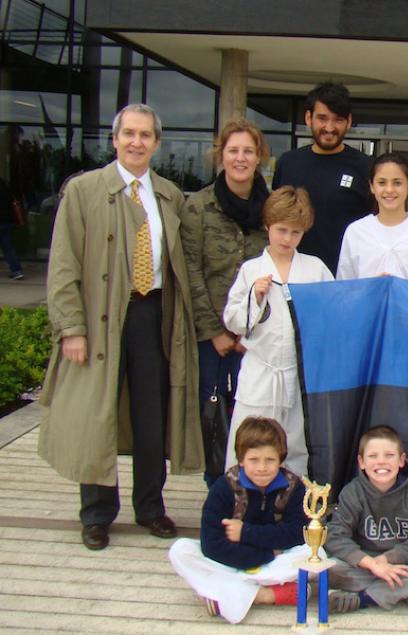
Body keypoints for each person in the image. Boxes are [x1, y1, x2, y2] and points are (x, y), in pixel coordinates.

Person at [38, 103, 202, 550]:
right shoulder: (85, 190)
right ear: (114, 139)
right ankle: (96, 514)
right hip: (100, 317)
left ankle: (150, 507)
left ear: (156, 142)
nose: (136, 142)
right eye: (128, 133)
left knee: (152, 416)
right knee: (99, 413)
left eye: (145, 135)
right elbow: (63, 264)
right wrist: (71, 326)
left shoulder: (169, 194)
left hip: (153, 314)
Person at [180, 118, 271, 486]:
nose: (240, 158)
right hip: (213, 336)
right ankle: (217, 486)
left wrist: (251, 331)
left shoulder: (271, 207)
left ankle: (254, 485)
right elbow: (190, 271)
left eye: (248, 151)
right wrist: (215, 331)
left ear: (260, 156)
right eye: (233, 150)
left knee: (254, 413)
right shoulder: (199, 206)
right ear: (221, 155)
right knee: (214, 412)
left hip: (258, 334)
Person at [222, 186, 333, 477]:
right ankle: (242, 506)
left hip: (297, 375)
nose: (288, 239)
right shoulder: (251, 270)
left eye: (296, 232)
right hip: (261, 373)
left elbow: (334, 314)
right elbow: (233, 321)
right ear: (268, 226)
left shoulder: (315, 269)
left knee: (296, 445)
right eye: (282, 230)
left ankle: (293, 508)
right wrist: (254, 298)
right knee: (250, 442)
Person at [169, 416, 311, 624]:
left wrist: (245, 532)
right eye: (254, 460)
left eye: (270, 460)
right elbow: (211, 544)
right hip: (233, 561)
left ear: (280, 459)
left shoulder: (294, 487)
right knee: (181, 550)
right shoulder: (224, 487)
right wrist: (266, 553)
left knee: (312, 553)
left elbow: (296, 533)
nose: (262, 468)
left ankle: (223, 592)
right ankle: (265, 595)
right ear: (241, 459)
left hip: (272, 562)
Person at [325, 425, 408, 613]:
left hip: (402, 564)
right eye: (373, 456)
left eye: (389, 455)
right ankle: (407, 592)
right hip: (364, 563)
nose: (381, 462)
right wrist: (372, 564)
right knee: (327, 569)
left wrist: (387, 559)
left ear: (401, 460)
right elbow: (335, 536)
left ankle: (363, 599)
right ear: (361, 462)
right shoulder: (352, 492)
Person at [271, 81, 372, 273]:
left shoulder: (365, 168)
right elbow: (275, 219)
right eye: (322, 118)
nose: (329, 127)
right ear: (308, 118)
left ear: (349, 121)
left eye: (338, 120)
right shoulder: (288, 163)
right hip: (293, 278)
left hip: (345, 280)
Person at [336, 151, 408, 287]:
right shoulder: (356, 231)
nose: (389, 189)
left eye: (397, 183)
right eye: (382, 182)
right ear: (372, 186)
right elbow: (344, 288)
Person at [0, 176, 24, 280]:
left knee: (8, 247)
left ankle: (16, 270)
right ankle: (17, 270)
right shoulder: (6, 190)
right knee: (8, 248)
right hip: (8, 222)